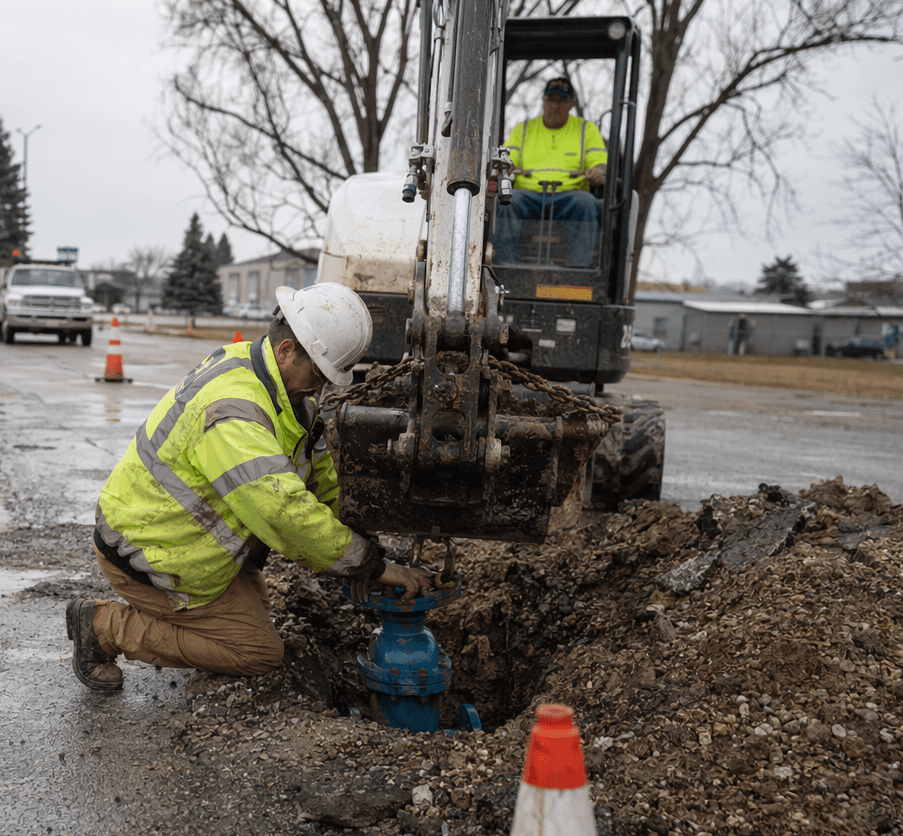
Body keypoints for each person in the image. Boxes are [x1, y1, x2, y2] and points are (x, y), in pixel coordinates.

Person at [66, 283, 434, 691]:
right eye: (318, 374)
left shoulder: (276, 387)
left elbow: (319, 480)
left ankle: (181, 625)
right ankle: (103, 627)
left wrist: (361, 536)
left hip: (180, 539)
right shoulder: (236, 411)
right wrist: (371, 565)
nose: (320, 387)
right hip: (148, 552)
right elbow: (284, 513)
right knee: (257, 651)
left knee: (257, 610)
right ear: (287, 350)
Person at [493, 77, 608, 268]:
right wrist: (508, 165)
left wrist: (598, 172)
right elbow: (508, 158)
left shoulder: (586, 130)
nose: (555, 106)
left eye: (562, 101)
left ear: (572, 104)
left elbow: (600, 164)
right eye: (551, 100)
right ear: (544, 101)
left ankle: (577, 270)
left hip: (568, 197)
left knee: (586, 203)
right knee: (506, 201)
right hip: (528, 196)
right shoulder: (523, 129)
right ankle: (506, 266)